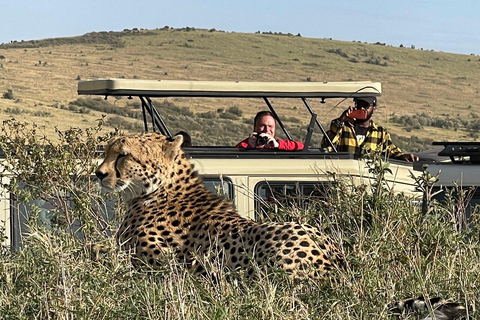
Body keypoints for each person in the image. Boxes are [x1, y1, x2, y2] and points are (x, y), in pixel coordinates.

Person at [322, 97, 418, 162]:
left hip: (368, 179)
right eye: (359, 105)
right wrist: (340, 120)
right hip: (345, 176)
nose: (362, 108)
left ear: (374, 108)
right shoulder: (343, 127)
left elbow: (391, 151)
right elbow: (326, 145)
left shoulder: (380, 132)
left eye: (366, 106)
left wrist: (403, 156)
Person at [236, 111, 304, 151]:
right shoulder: (246, 144)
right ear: (255, 127)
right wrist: (250, 147)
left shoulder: (278, 144)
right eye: (262, 126)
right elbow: (235, 154)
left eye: (270, 126)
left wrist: (278, 145)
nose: (267, 130)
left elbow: (301, 147)